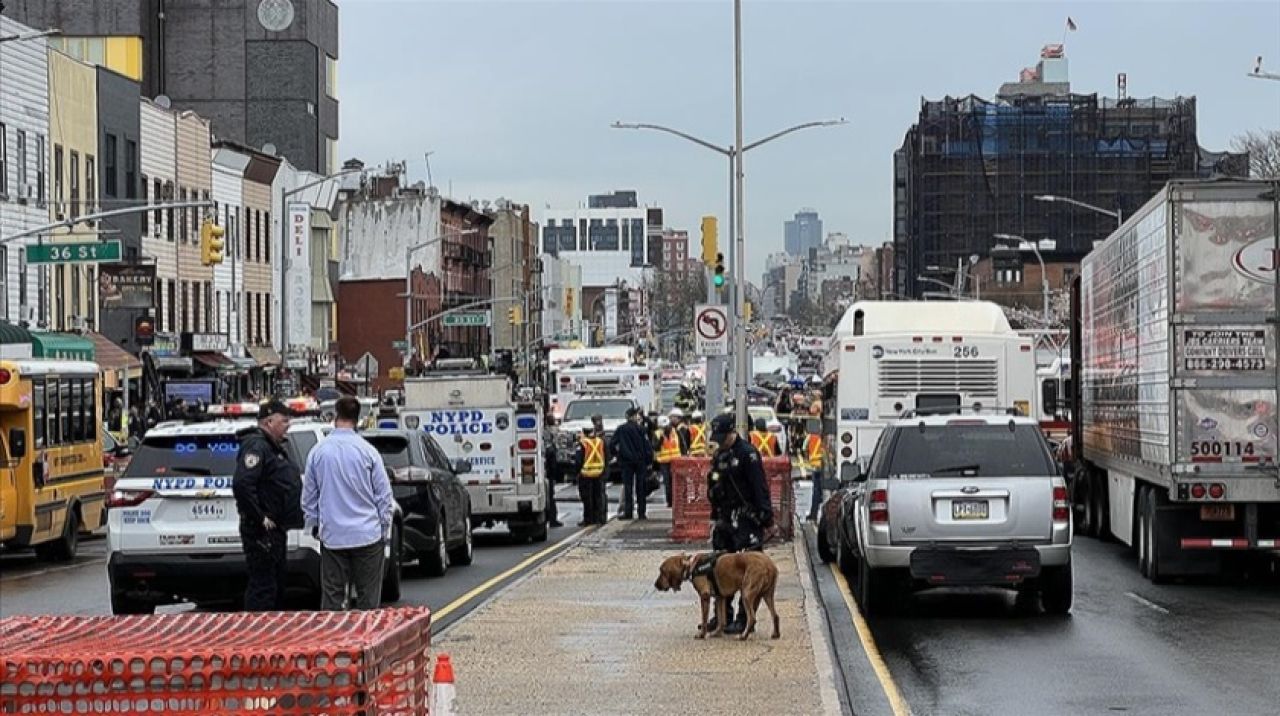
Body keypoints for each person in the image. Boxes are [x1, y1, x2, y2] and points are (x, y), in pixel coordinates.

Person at [302, 396, 395, 610]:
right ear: (358, 418)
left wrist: (315, 524)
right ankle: (366, 641)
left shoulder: (318, 452)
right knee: (368, 600)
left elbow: (309, 496)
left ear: (335, 416)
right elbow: (383, 495)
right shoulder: (368, 452)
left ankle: (336, 641)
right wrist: (383, 528)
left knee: (332, 598)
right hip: (367, 535)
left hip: (333, 536)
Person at [232, 400, 304, 611]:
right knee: (264, 588)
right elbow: (242, 484)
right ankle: (258, 635)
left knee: (276, 586)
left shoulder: (272, 447)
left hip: (276, 530)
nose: (287, 425)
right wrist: (260, 517)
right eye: (284, 421)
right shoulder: (257, 445)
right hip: (262, 532)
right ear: (268, 421)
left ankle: (272, 634)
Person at [706, 413, 773, 635]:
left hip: (746, 519)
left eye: (723, 436)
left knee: (748, 572)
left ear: (733, 432)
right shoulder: (719, 455)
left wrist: (765, 516)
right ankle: (723, 617)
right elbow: (714, 484)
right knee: (720, 569)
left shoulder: (748, 454)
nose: (720, 441)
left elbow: (759, 486)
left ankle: (746, 620)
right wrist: (714, 513)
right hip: (725, 518)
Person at [612, 407, 653, 520]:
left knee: (628, 487)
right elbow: (647, 446)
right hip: (640, 462)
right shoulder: (641, 429)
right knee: (641, 487)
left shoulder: (621, 429)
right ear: (634, 417)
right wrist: (649, 461)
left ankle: (628, 512)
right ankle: (641, 513)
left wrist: (618, 454)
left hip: (626, 462)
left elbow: (612, 444)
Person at [575, 425, 608, 526]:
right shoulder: (600, 442)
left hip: (586, 474)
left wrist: (577, 472)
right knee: (598, 497)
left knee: (587, 498)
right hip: (599, 473)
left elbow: (578, 460)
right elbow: (606, 456)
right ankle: (599, 518)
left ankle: (588, 519)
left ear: (584, 433)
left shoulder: (583, 443)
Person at [654, 416, 682, 508]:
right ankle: (670, 501)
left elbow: (682, 444)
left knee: (675, 482)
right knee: (668, 483)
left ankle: (676, 500)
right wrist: (661, 439)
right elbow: (655, 447)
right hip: (664, 461)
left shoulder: (675, 432)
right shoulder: (657, 434)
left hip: (675, 460)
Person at [803, 420, 826, 521]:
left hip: (814, 467)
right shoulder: (824, 438)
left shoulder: (810, 437)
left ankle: (813, 514)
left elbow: (804, 448)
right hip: (824, 468)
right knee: (822, 491)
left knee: (816, 492)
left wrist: (807, 458)